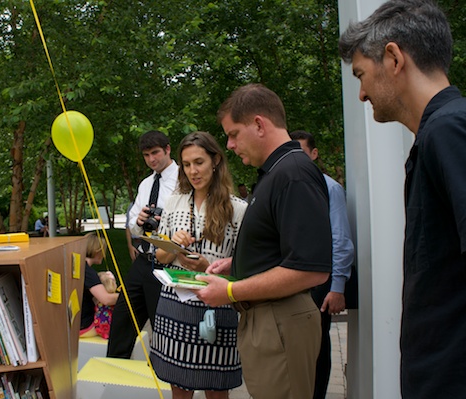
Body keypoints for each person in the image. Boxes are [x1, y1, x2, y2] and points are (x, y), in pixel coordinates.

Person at [339, 1, 466, 397]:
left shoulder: (450, 130)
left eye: (361, 74)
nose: (361, 94)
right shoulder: (438, 134)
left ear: (393, 58)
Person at [195, 83, 332, 399]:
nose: (229, 145)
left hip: (281, 320)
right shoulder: (276, 173)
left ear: (259, 124)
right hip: (270, 320)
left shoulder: (293, 174)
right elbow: (281, 247)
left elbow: (311, 269)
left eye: (233, 134)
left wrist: (230, 290)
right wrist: (239, 262)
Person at [150, 131, 247, 399]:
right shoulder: (174, 202)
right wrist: (174, 247)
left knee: (216, 389)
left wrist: (207, 266)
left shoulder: (237, 209)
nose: (193, 171)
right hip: (175, 305)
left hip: (217, 306)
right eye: (187, 164)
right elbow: (159, 257)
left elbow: (243, 269)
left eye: (199, 162)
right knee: (179, 388)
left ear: (215, 161)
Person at [289, 130, 355, 399]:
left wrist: (337, 286)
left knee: (317, 347)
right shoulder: (288, 186)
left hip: (319, 282)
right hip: (290, 279)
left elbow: (341, 239)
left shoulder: (329, 188)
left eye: (302, 153)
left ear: (314, 154)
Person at [107, 130, 179, 358]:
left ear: (168, 149)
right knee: (122, 318)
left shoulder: (184, 179)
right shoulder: (146, 184)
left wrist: (164, 221)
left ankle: (169, 380)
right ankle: (114, 373)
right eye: (146, 155)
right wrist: (139, 222)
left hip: (168, 262)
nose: (151, 159)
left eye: (155, 153)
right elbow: (133, 223)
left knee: (163, 325)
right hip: (142, 260)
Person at [80, 232, 119, 337]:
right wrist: (127, 296)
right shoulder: (88, 272)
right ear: (97, 251)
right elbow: (106, 299)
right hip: (85, 326)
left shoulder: (78, 266)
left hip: (76, 323)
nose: (104, 254)